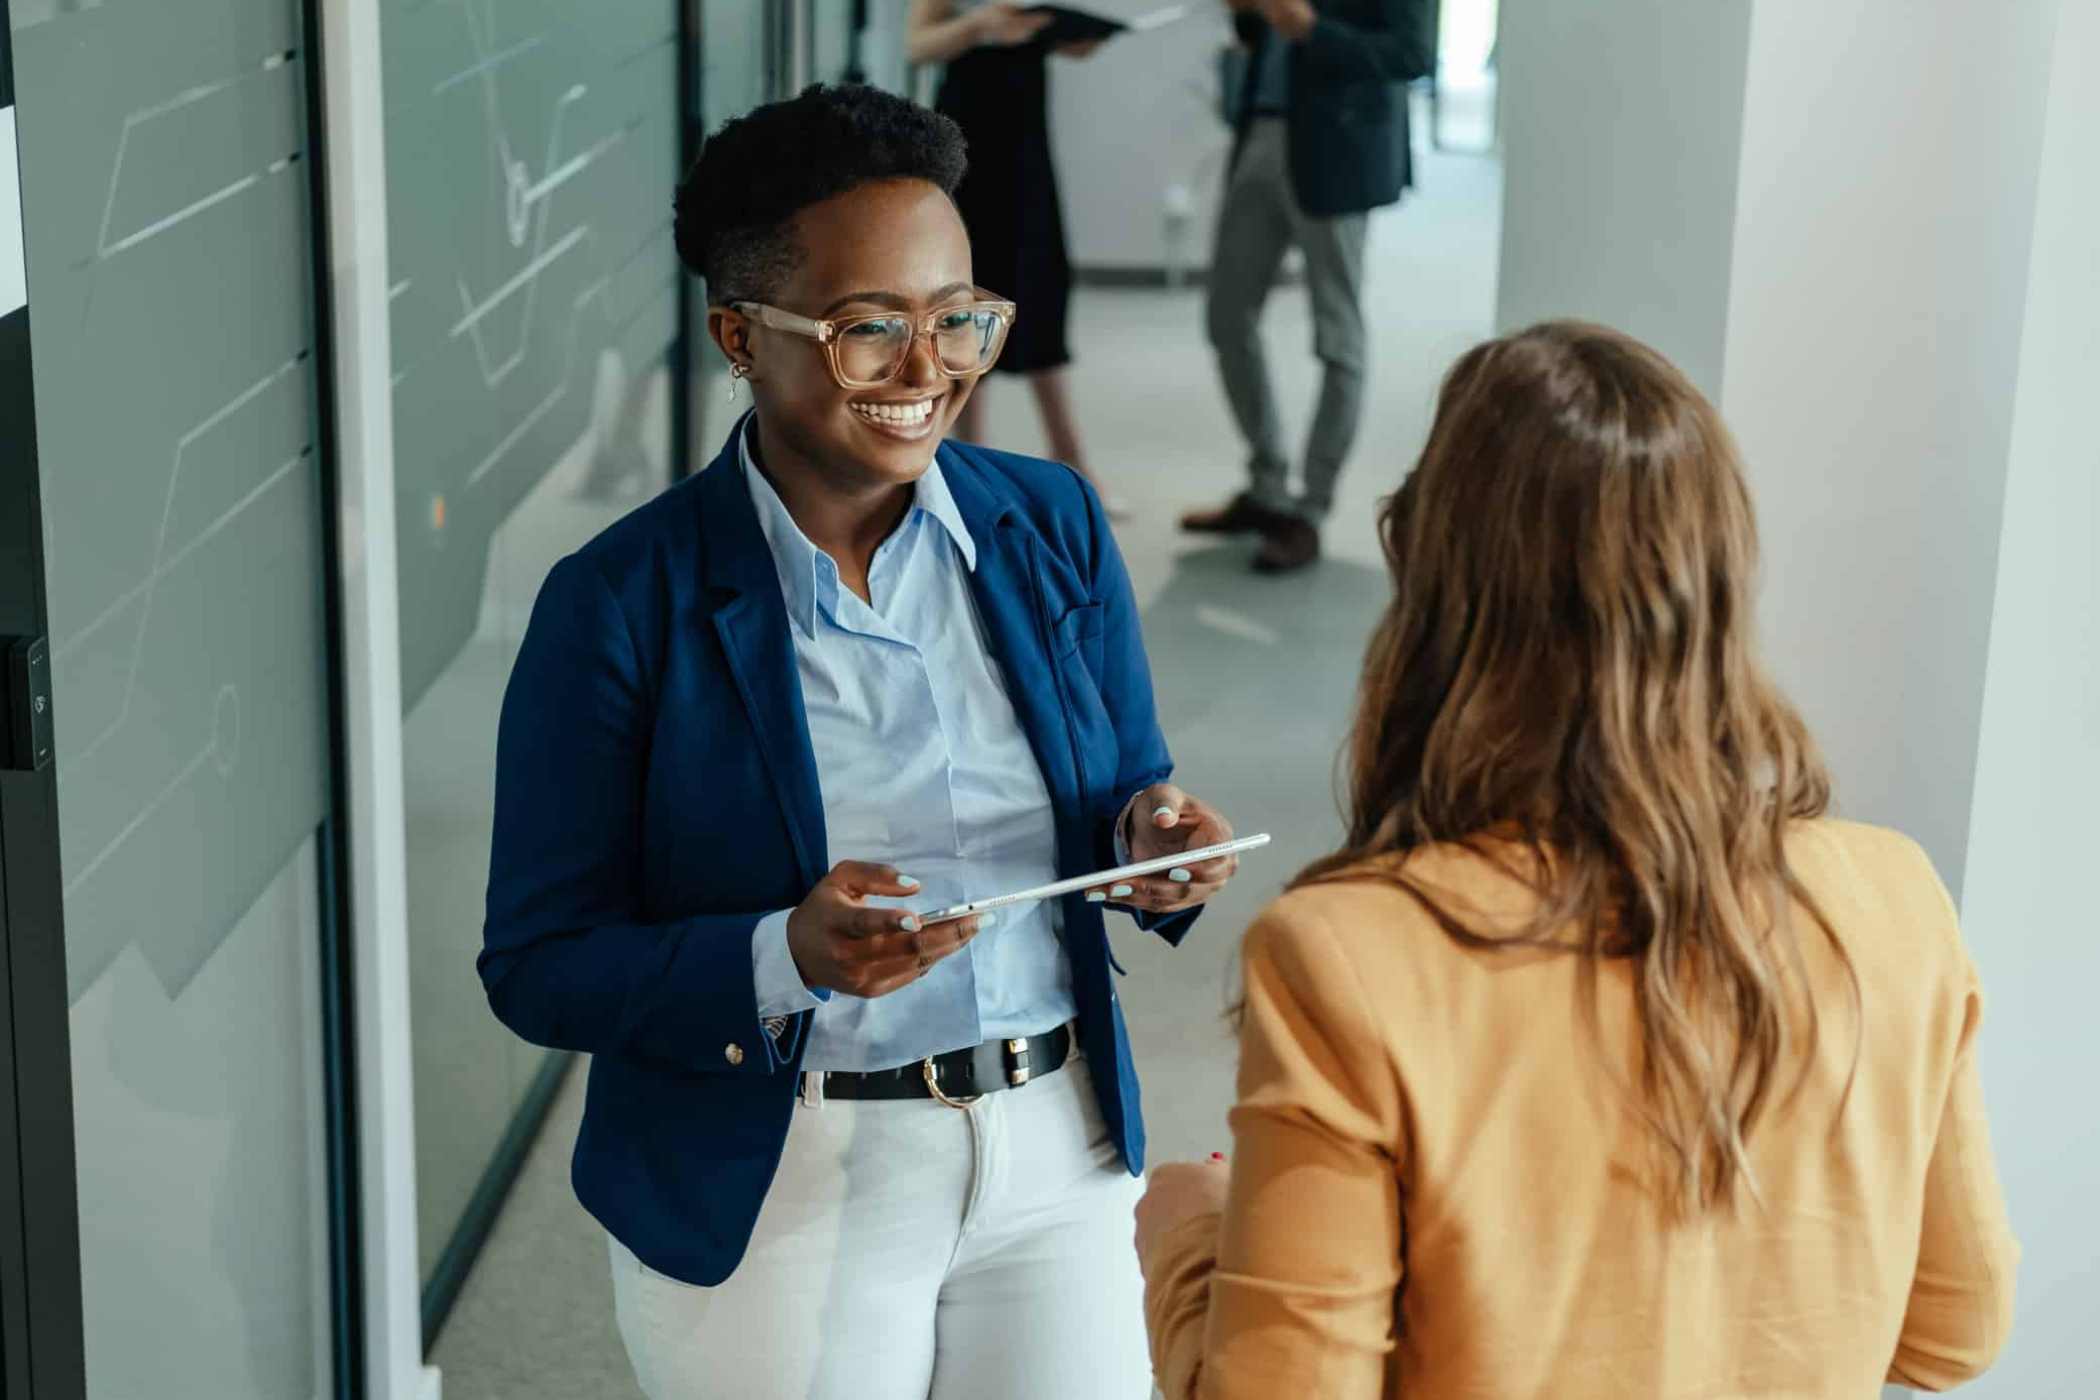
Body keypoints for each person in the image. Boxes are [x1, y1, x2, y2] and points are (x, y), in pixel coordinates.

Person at [480, 85, 1245, 1400]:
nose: (928, 370)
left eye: (959, 319)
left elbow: (1125, 784)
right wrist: (785, 955)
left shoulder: (1048, 523)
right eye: (867, 331)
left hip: (1053, 1145)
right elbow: (541, 966)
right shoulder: (623, 602)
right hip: (784, 1181)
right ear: (739, 334)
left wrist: (1148, 842)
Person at [1135, 323, 2019, 1396]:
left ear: (1437, 589)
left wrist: (1189, 1243)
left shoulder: (1350, 953)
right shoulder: (1894, 897)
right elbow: (1951, 1329)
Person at [1182, 0, 1430, 572]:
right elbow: (1259, 36)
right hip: (1261, 136)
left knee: (1337, 335)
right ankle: (1268, 487)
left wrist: (1313, 30)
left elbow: (1411, 54)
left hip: (1338, 151)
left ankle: (1309, 510)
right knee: (1226, 317)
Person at [906, 2, 1125, 516]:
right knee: (965, 296)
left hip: (1026, 150)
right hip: (966, 149)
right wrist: (980, 27)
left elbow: (1057, 42)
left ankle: (1071, 462)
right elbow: (917, 47)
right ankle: (966, 465)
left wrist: (1071, 38)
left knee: (1041, 288)